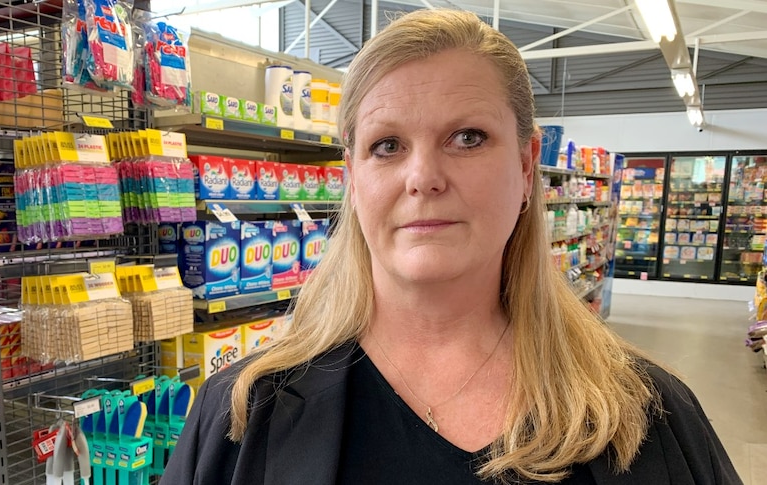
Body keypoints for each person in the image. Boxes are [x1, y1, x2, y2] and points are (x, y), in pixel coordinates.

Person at [162, 9, 740, 484]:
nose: (423, 177)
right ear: (353, 178)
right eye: (387, 145)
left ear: (525, 164)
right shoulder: (239, 414)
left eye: (467, 138)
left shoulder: (651, 417)